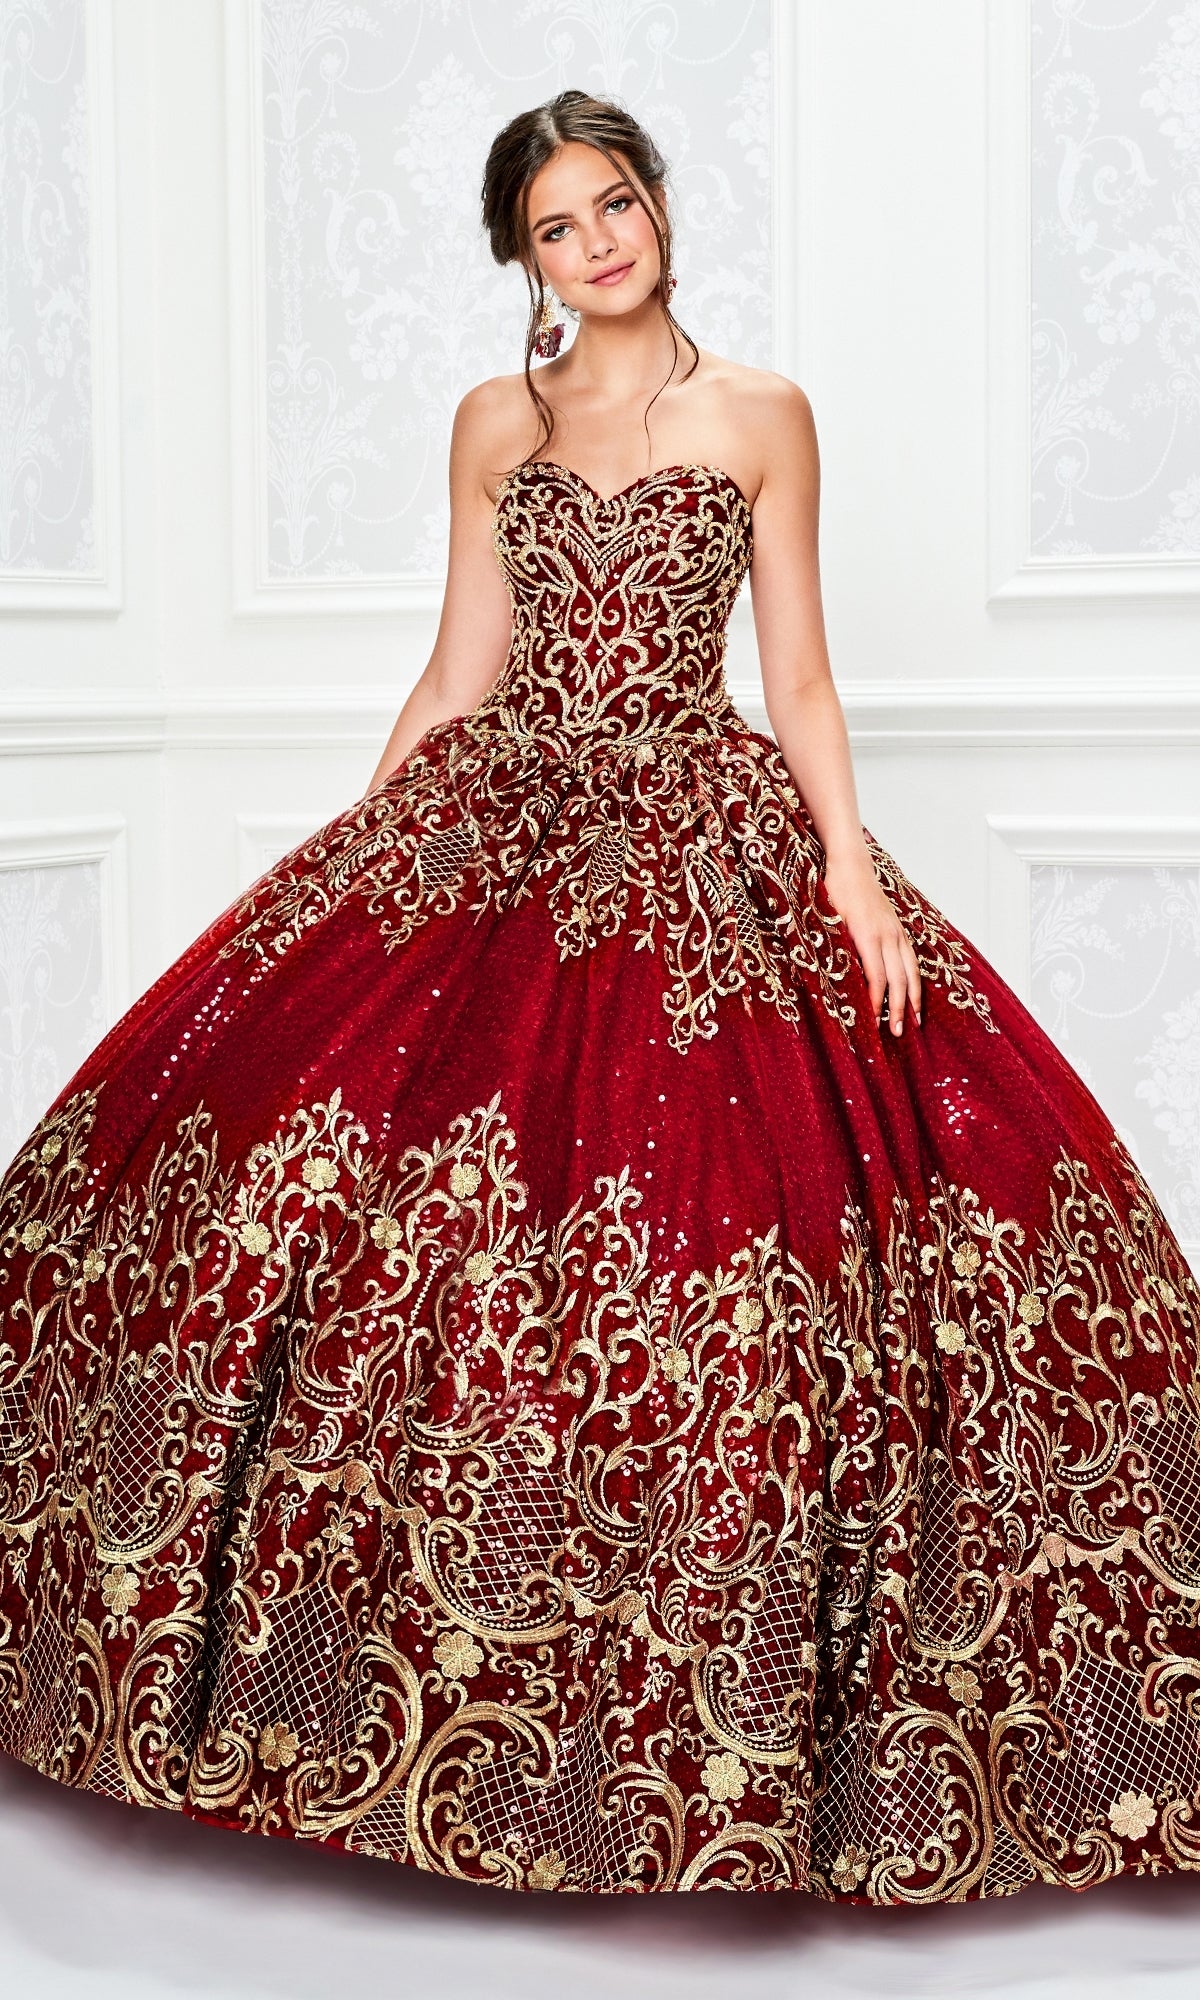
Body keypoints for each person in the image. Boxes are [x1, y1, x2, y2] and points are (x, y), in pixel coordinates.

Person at [1, 89, 1198, 1907]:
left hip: (706, 835)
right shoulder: (497, 421)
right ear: (521, 258)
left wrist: (851, 867)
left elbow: (796, 672)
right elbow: (459, 664)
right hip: (501, 817)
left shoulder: (763, 415)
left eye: (616, 205)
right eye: (557, 226)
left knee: (740, 1222)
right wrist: (368, 849)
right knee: (350, 1195)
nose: (598, 244)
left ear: (658, 210)